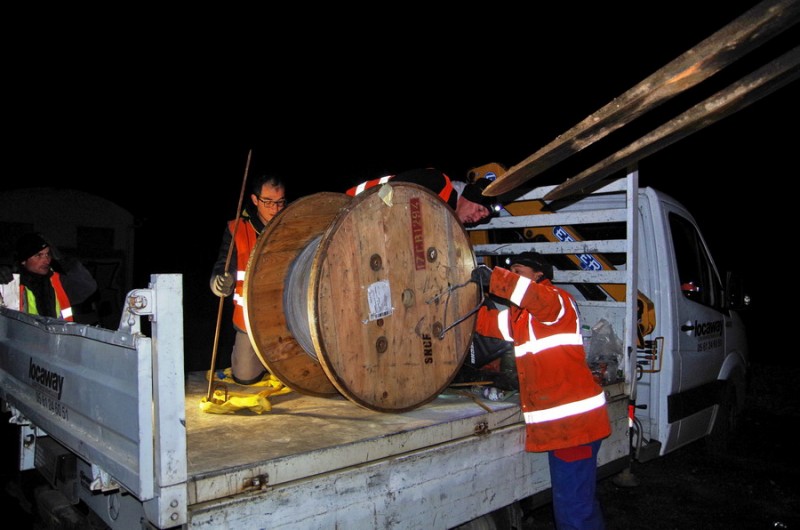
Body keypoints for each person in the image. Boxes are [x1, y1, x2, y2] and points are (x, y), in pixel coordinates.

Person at [472, 251, 611, 529]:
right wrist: (472, 299)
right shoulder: (521, 317)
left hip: (573, 428)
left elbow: (534, 297)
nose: (513, 276)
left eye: (519, 271)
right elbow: (485, 323)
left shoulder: (556, 301)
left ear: (539, 275)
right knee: (578, 504)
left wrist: (495, 278)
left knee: (573, 511)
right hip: (565, 430)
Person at [210, 174, 287, 385]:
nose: (275, 209)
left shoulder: (292, 224)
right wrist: (219, 283)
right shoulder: (238, 228)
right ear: (255, 200)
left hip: (287, 317)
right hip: (250, 320)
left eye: (280, 202)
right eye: (268, 202)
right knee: (245, 377)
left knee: (298, 374)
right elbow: (221, 267)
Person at [346, 167, 501, 225]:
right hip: (351, 204)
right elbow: (389, 191)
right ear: (471, 195)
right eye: (479, 210)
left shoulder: (448, 219)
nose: (475, 218)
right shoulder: (438, 182)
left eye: (481, 218)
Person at [0, 232, 97, 321]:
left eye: (47, 254)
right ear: (23, 260)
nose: (46, 260)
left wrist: (65, 262)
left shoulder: (56, 280)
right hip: (23, 338)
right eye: (39, 255)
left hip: (57, 337)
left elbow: (88, 287)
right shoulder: (11, 282)